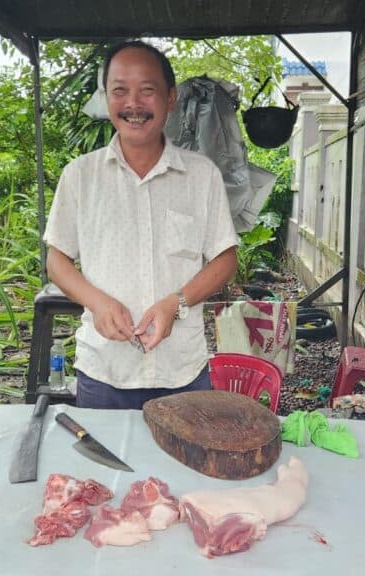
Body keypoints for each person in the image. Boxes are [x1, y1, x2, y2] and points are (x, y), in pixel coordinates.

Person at [43, 40, 238, 410]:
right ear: (107, 99)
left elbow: (225, 259)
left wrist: (175, 303)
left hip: (183, 371)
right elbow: (57, 260)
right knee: (101, 470)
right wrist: (97, 303)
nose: (133, 104)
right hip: (104, 372)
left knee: (187, 467)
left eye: (147, 91)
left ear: (170, 98)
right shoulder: (80, 176)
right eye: (120, 91)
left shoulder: (201, 176)